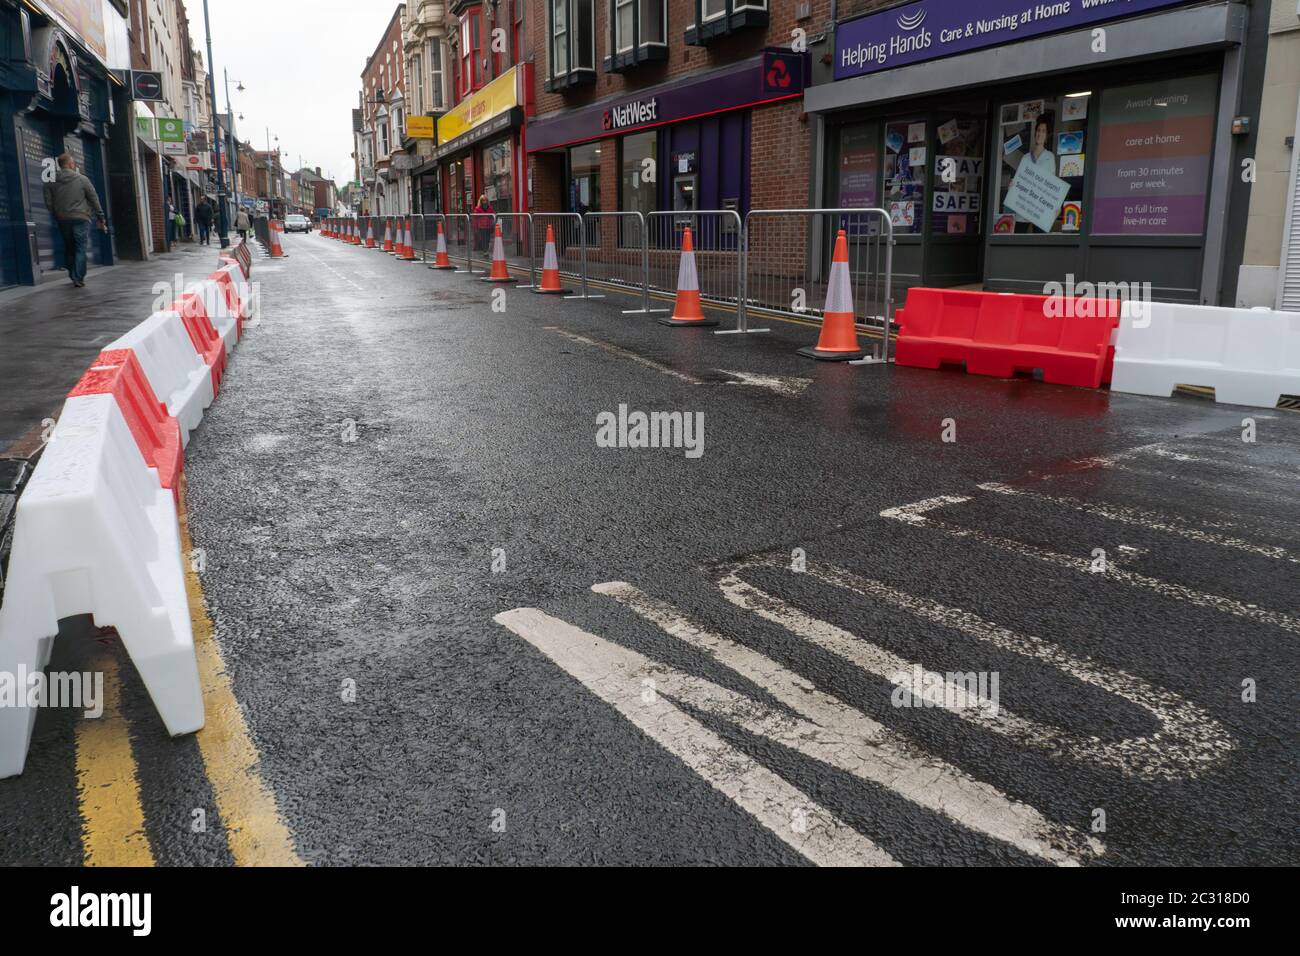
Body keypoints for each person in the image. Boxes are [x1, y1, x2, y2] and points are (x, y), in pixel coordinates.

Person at [42, 153, 105, 288]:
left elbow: (48, 202)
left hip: (63, 219)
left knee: (69, 246)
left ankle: (73, 274)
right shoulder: (82, 179)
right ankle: (78, 277)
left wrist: (57, 212)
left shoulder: (50, 181)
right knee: (80, 247)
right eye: (73, 163)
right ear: (71, 164)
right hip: (81, 218)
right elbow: (94, 198)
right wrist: (100, 215)